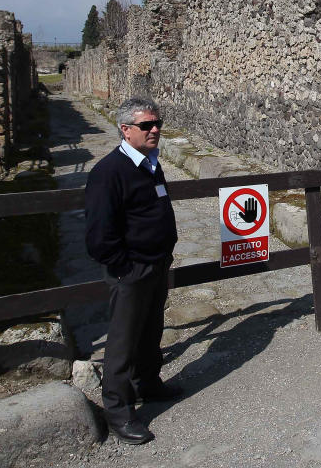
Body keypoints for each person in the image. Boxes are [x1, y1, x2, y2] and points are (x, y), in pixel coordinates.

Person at [85, 97, 181, 445]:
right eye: (146, 126)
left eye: (157, 124)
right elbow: (99, 234)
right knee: (123, 343)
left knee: (151, 329)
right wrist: (125, 268)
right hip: (132, 270)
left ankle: (149, 384)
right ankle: (119, 411)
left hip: (156, 264)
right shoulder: (108, 172)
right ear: (126, 130)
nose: (155, 130)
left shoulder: (151, 163)